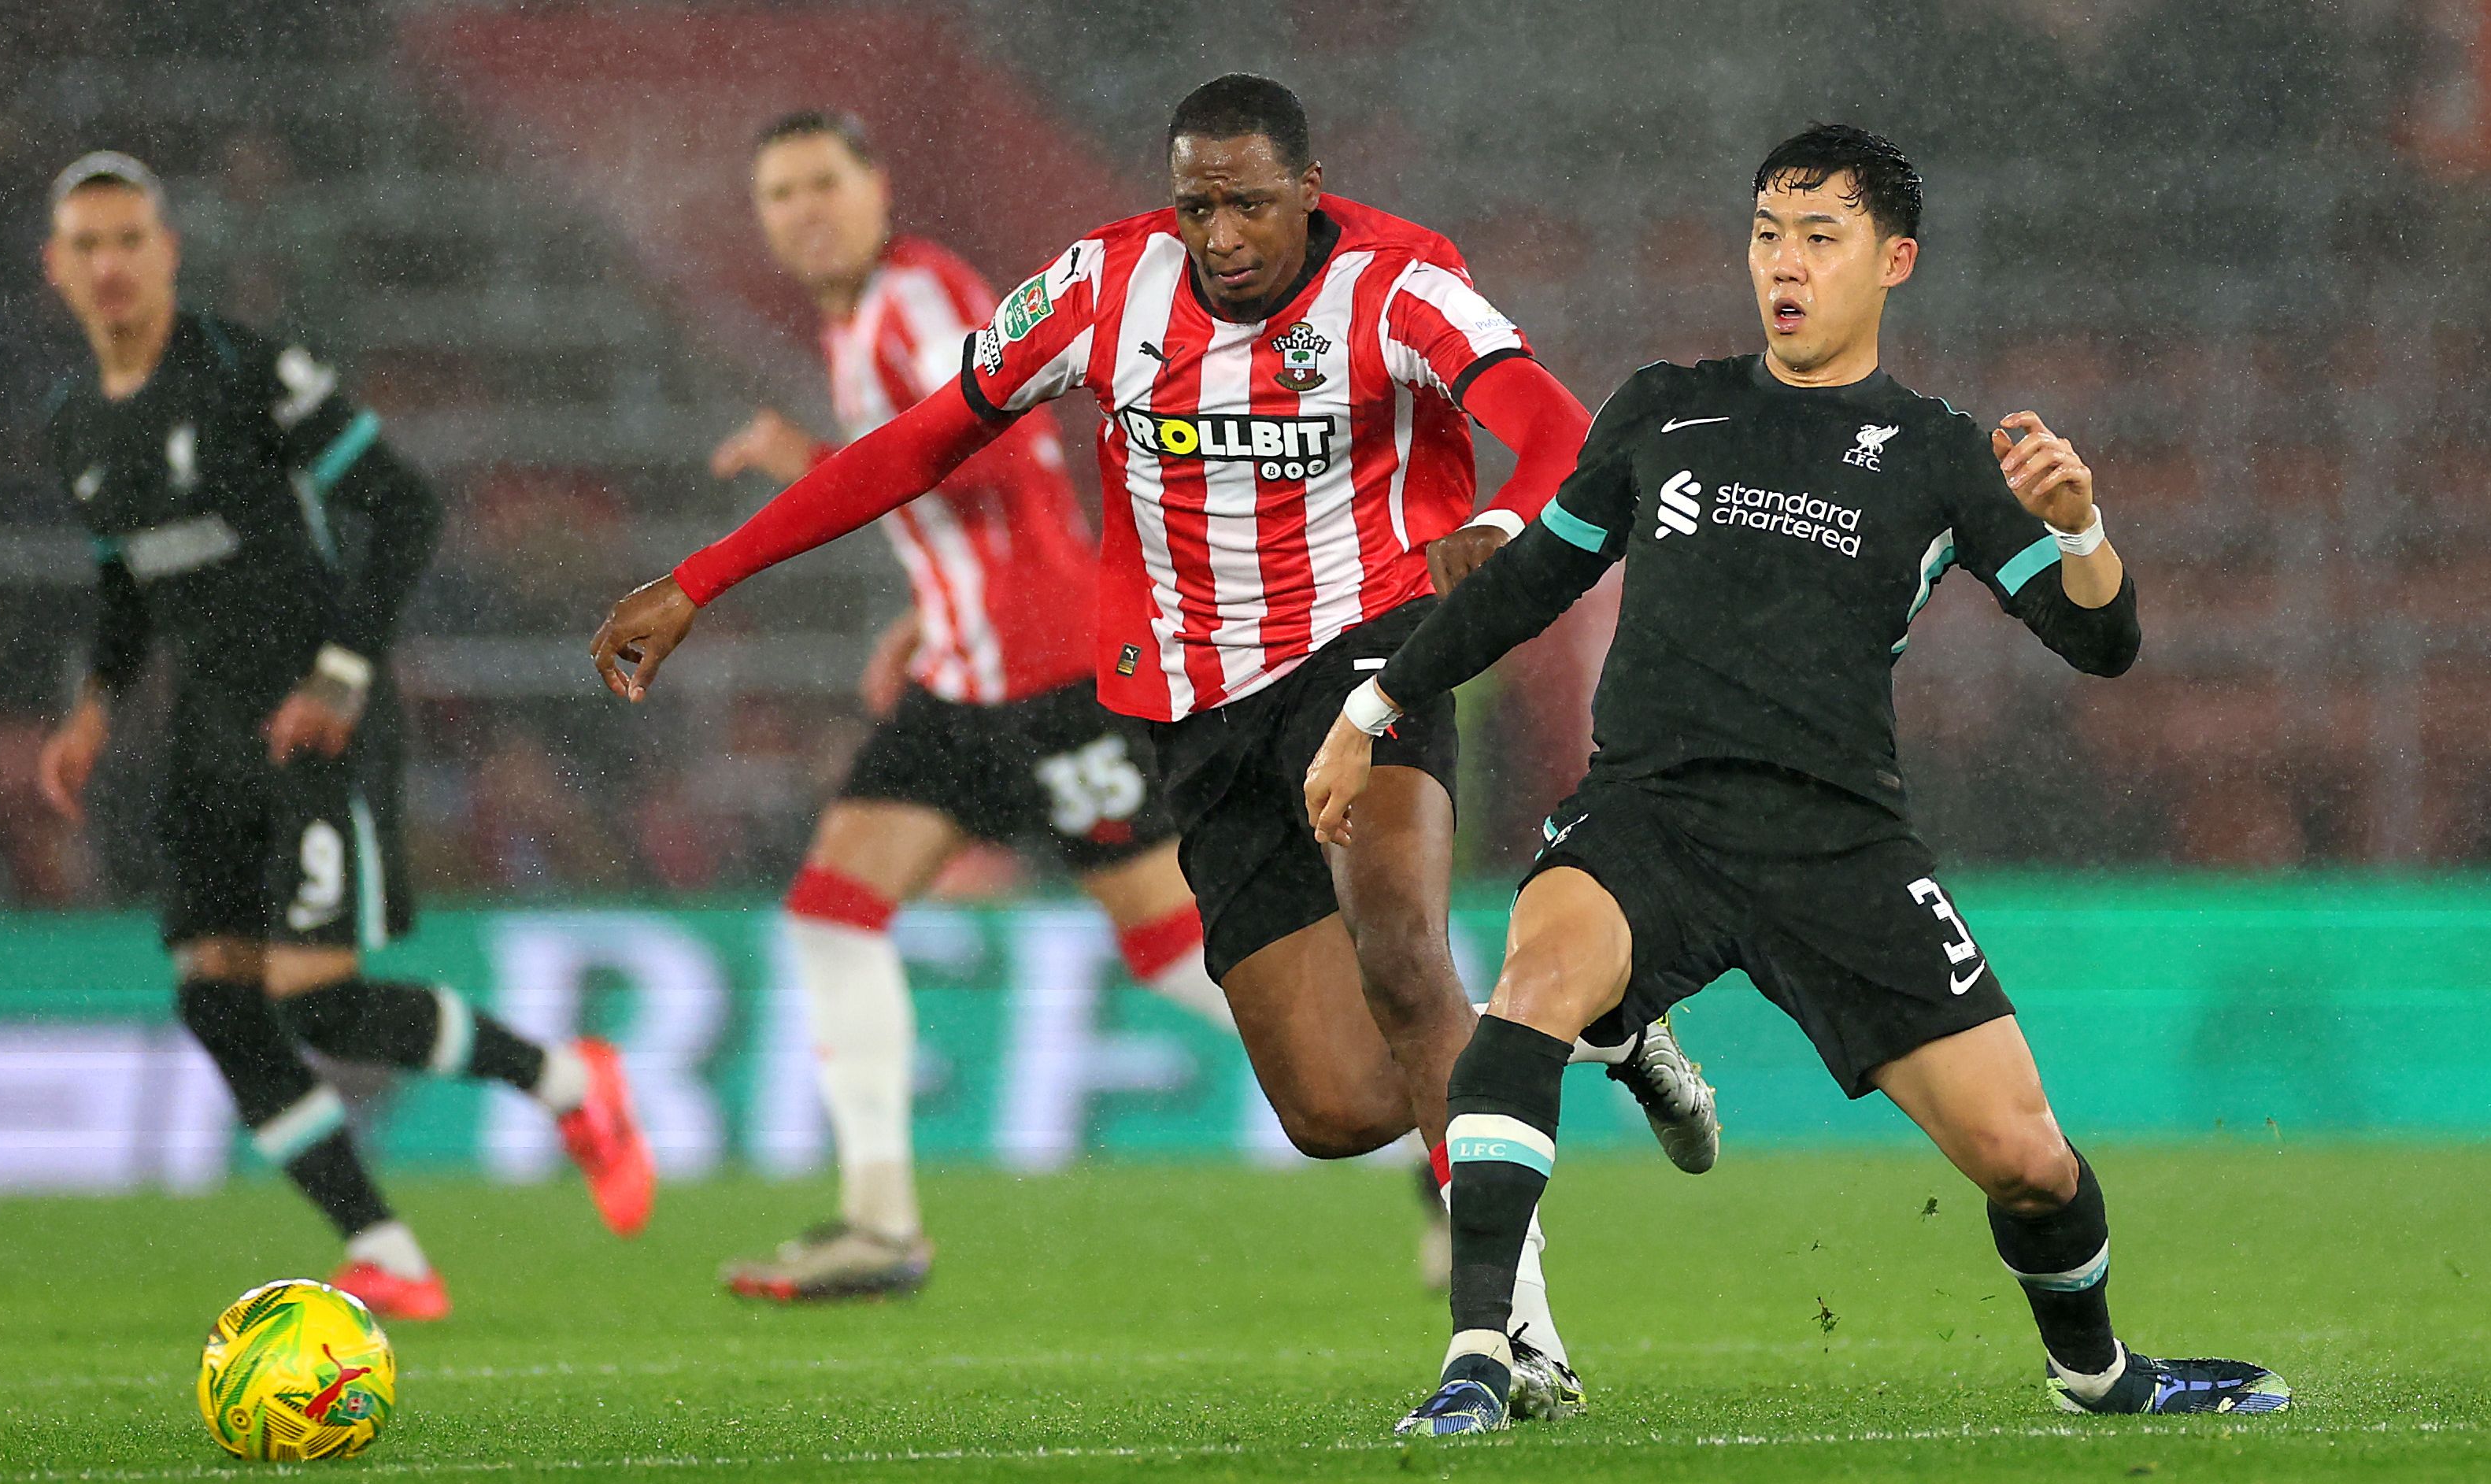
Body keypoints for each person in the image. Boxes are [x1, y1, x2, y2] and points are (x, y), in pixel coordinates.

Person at [595, 76, 1719, 1415]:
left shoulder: (1400, 281)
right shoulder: (1098, 287)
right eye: (1199, 205)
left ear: (1309, 191)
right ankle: (1593, 1019)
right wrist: (702, 578)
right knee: (1332, 1109)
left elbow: (1554, 425)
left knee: (1408, 957)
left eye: (1251, 202)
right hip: (1195, 706)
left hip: (1376, 649)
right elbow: (918, 445)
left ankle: (1507, 1345)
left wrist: (1512, 520)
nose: (1225, 233)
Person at [1301, 123, 2291, 1434]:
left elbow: (2101, 642)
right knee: (1526, 995)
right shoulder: (1664, 407)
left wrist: (2081, 527)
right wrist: (1375, 703)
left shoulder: (1938, 453)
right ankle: (1483, 1356)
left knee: (2028, 1162)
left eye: (1820, 238)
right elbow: (1534, 582)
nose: (1785, 264)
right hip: (1648, 814)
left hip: (1838, 845)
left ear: (1894, 261)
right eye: (1768, 233)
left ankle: (2100, 1372)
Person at [33, 153, 654, 1322]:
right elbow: (125, 581)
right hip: (204, 743)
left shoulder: (244, 370)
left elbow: (403, 505)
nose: (110, 264)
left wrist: (341, 670)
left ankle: (573, 1078)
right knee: (215, 997)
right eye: (87, 245)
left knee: (318, 999)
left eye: (130, 239)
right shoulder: (74, 425)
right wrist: (96, 705)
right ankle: (390, 1252)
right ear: (55, 267)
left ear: (168, 250)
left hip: (320, 725)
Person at [706, 109, 1235, 1301]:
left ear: (877, 186)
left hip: (1049, 677)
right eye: (779, 192)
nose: (804, 209)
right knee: (830, 910)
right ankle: (880, 1222)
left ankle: (1434, 1098)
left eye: (823, 182)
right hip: (962, 676)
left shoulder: (919, 295)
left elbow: (991, 450)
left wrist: (817, 468)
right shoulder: (855, 322)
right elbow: (946, 500)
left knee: (1171, 954)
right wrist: (921, 607)